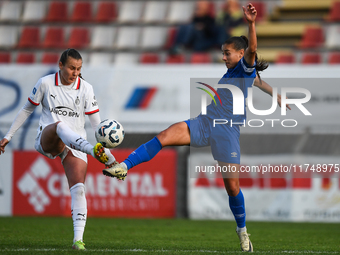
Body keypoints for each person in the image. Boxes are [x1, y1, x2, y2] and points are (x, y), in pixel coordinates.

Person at [103, 3, 290, 252]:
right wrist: (274, 93)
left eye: (227, 53)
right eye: (223, 53)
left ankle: (242, 231)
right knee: (164, 136)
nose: (223, 57)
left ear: (241, 53)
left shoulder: (245, 65)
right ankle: (124, 166)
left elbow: (253, 51)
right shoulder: (242, 73)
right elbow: (259, 80)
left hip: (226, 132)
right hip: (203, 123)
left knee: (232, 188)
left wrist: (252, 24)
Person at [0, 48, 116, 251]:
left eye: (79, 69)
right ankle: (92, 151)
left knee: (79, 189)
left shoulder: (86, 88)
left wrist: (110, 153)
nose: (75, 73)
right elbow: (27, 108)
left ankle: (78, 241)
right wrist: (8, 136)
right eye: (72, 68)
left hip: (76, 143)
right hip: (50, 137)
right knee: (61, 126)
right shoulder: (45, 83)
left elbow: (97, 126)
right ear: (60, 65)